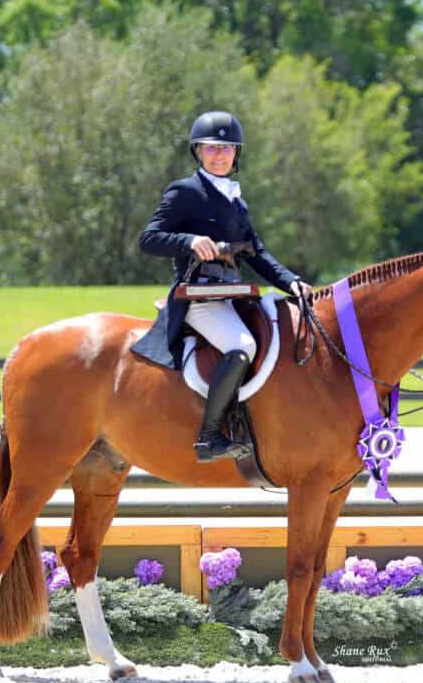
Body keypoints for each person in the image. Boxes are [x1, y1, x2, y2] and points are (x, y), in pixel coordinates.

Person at [131, 110, 312, 462]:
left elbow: (257, 253)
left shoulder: (236, 200)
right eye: (212, 148)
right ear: (198, 151)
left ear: (236, 154)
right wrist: (188, 241)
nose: (220, 155)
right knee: (241, 346)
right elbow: (148, 239)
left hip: (232, 296)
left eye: (227, 149)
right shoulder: (185, 192)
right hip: (198, 297)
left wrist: (293, 282)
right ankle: (209, 436)